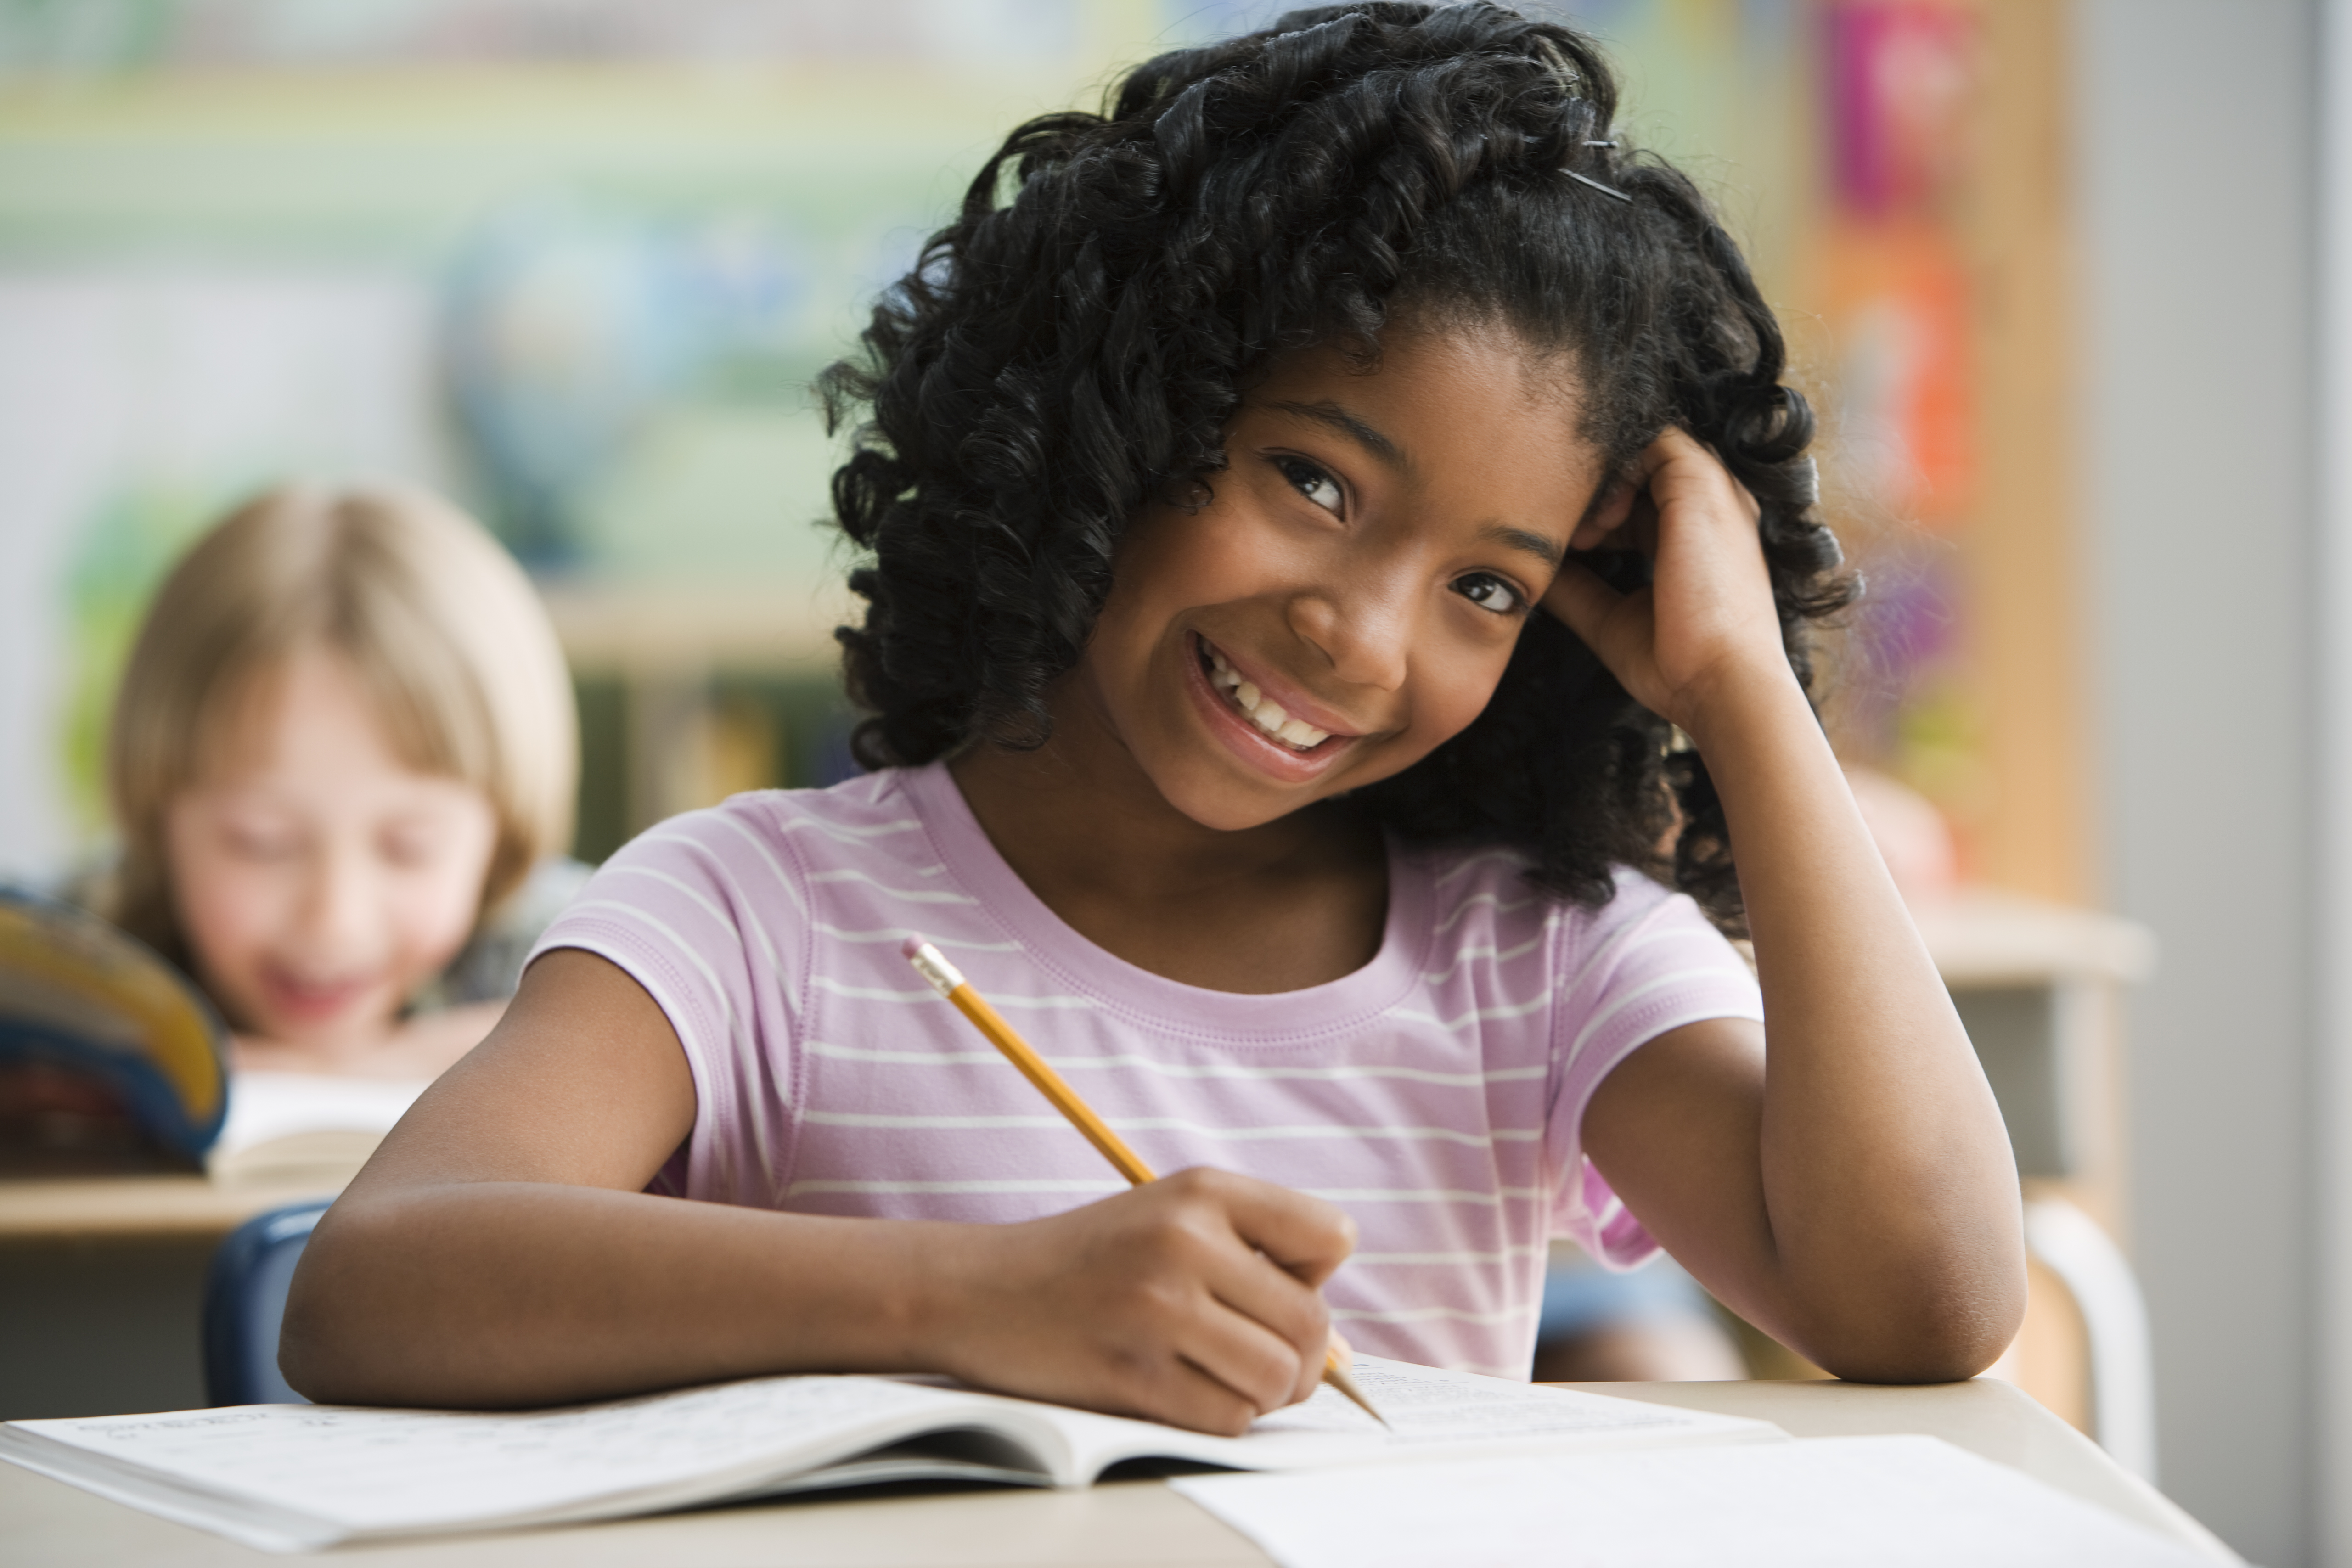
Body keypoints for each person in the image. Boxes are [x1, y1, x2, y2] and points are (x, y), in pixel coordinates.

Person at [285, 3, 2025, 1428]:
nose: (1356, 635)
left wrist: (1742, 691)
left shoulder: (1536, 960)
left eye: (1486, 586)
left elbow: (1924, 1304)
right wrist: (971, 1299)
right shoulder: (763, 911)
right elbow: (371, 1282)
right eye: (1314, 479)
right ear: (1122, 405)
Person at [98, 484, 581, 1081]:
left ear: (499, 841)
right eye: (261, 841)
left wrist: (372, 1068)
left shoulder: (572, 949)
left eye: (410, 848)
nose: (334, 920)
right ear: (159, 822)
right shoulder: (83, 947)